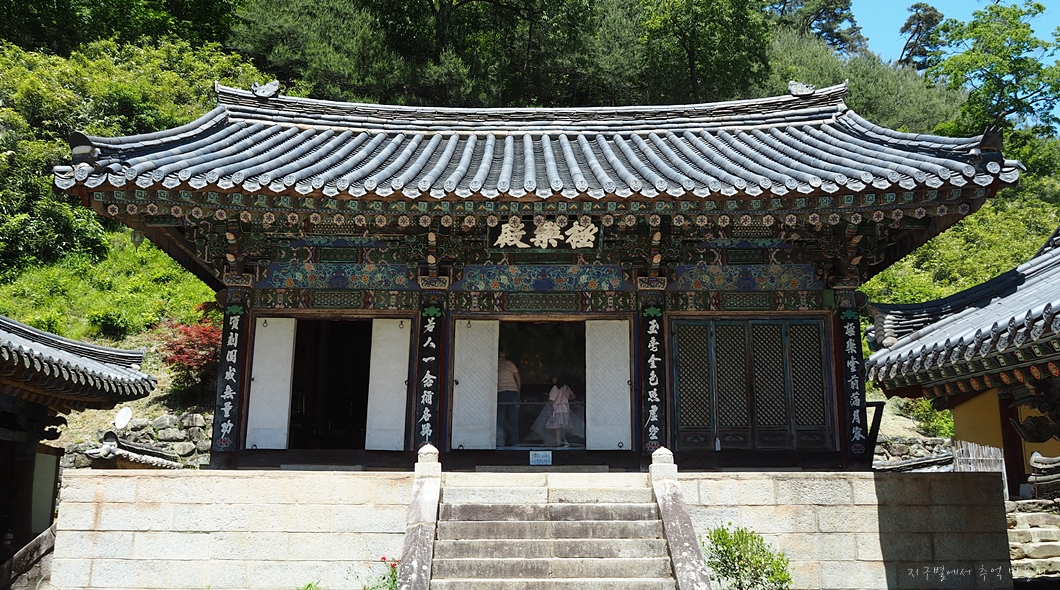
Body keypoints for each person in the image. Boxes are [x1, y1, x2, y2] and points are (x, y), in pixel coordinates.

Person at [497, 350, 521, 447]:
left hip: (501, 392)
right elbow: (518, 378)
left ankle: (500, 444)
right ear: (501, 353)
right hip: (513, 393)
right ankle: (516, 444)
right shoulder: (510, 363)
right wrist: (518, 392)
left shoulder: (494, 363)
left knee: (500, 420)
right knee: (513, 421)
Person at [545, 377, 575, 447]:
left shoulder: (555, 388)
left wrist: (548, 405)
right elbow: (573, 396)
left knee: (557, 427)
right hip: (566, 409)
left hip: (557, 410)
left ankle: (558, 441)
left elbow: (552, 399)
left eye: (554, 379)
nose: (553, 380)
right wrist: (566, 400)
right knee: (562, 427)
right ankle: (564, 440)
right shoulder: (567, 388)